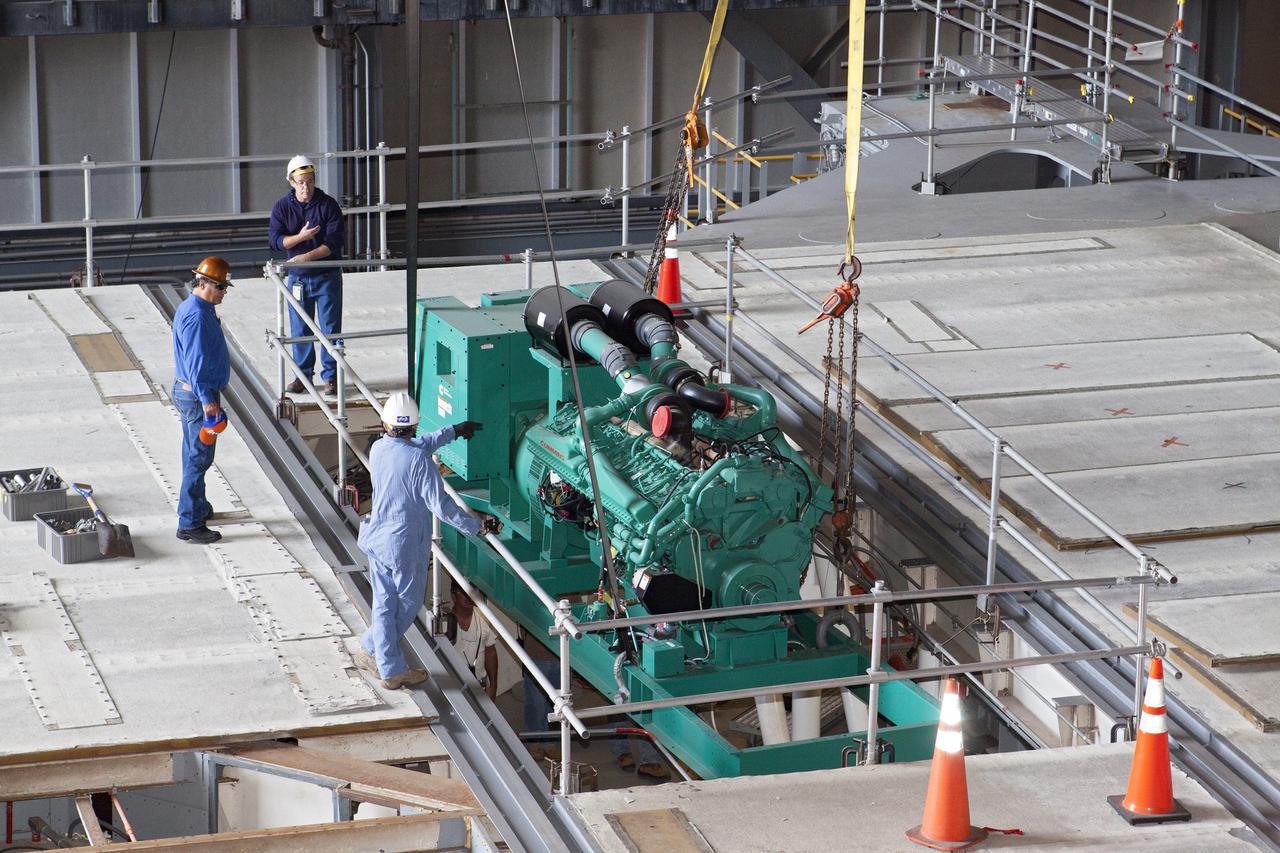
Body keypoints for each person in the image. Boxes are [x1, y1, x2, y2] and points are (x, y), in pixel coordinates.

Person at [352, 392, 497, 690]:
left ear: (385, 423)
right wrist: (476, 526)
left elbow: (410, 447)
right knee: (407, 604)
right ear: (415, 426)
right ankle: (390, 668)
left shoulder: (379, 448)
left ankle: (371, 651)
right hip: (403, 545)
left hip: (376, 537)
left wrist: (452, 432)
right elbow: (441, 506)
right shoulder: (419, 460)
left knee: (383, 603)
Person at [268, 155, 345, 396]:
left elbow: (334, 243)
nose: (306, 187)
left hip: (326, 276)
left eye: (310, 181)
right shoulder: (282, 207)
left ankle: (331, 378)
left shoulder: (328, 205)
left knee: (330, 328)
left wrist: (305, 257)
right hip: (298, 278)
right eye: (300, 182)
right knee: (300, 328)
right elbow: (275, 241)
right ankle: (302, 376)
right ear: (291, 182)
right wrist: (301, 237)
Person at [171, 257, 233, 545]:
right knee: (198, 458)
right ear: (203, 283)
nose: (223, 292)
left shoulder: (197, 307)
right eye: (220, 287)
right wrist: (209, 402)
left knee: (193, 454)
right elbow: (196, 364)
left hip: (191, 393)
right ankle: (190, 523)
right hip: (198, 397)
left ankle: (199, 507)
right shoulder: (197, 315)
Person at [448, 580, 499, 701]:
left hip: (480, 684)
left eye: (471, 592)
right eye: (463, 592)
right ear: (454, 596)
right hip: (454, 687)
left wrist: (493, 686)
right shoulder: (445, 622)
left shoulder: (483, 617)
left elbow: (490, 653)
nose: (468, 596)